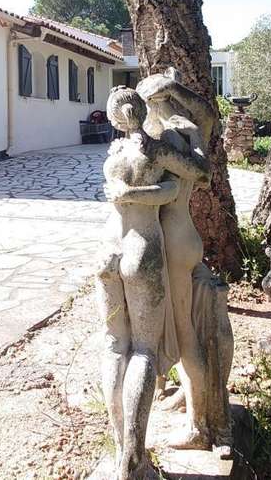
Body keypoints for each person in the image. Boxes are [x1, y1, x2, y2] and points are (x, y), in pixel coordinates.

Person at [97, 85, 210, 479]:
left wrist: (127, 193)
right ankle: (132, 458)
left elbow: (125, 195)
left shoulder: (113, 153)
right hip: (140, 248)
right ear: (143, 112)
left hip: (107, 249)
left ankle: (118, 447)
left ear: (113, 117)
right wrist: (194, 143)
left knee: (114, 346)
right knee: (144, 350)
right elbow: (196, 175)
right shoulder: (154, 150)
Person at [135, 69, 220, 448]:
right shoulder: (190, 130)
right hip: (185, 236)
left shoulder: (164, 137)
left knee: (184, 334)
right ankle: (181, 397)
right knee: (175, 328)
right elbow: (208, 119)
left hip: (171, 243)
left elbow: (194, 176)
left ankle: (198, 427)